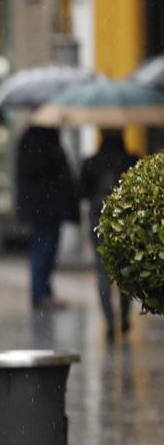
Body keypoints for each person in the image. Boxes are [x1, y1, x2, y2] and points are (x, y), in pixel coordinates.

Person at [79, 130, 139, 339]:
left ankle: (109, 321)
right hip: (126, 219)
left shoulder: (91, 162)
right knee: (125, 269)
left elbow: (82, 191)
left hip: (98, 217)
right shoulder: (131, 160)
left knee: (103, 269)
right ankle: (124, 317)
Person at [16, 125, 79, 311]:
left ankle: (44, 293)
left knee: (47, 250)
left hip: (48, 207)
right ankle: (41, 295)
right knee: (43, 249)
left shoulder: (44, 138)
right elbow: (37, 168)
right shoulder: (36, 140)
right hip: (44, 208)